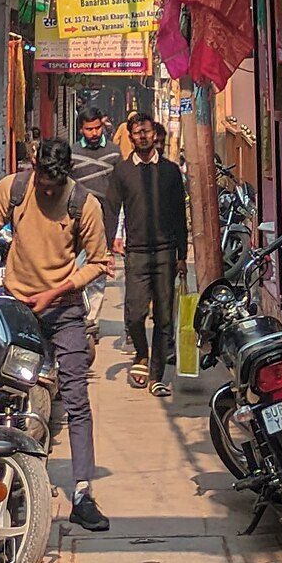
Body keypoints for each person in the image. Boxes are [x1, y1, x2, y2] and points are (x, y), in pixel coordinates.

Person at [0, 136, 116, 532]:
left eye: (53, 186)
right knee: (3, 391)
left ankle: (84, 492)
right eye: (41, 182)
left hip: (63, 307)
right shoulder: (14, 188)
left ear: (65, 177)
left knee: (75, 396)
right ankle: (3, 481)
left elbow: (99, 262)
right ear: (34, 168)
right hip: (16, 305)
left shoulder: (83, 205)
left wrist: (56, 291)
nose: (46, 191)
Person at [105, 111, 189, 396]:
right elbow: (112, 209)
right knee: (135, 314)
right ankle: (141, 353)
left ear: (155, 134)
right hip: (136, 253)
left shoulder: (170, 171)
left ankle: (157, 375)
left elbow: (180, 214)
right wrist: (107, 248)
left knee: (164, 317)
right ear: (131, 137)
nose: (143, 136)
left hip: (166, 252)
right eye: (137, 133)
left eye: (147, 131)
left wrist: (181, 254)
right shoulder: (122, 171)